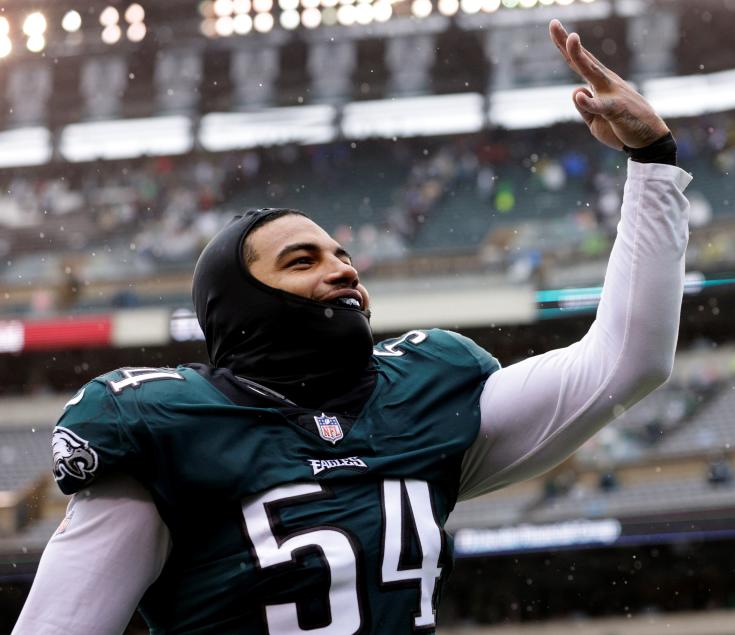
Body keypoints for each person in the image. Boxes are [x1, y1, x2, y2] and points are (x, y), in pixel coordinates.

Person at [14, 20, 692, 634]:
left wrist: (653, 160)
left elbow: (628, 358)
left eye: (343, 255)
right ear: (239, 301)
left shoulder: (423, 396)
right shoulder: (169, 430)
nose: (341, 271)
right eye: (301, 261)